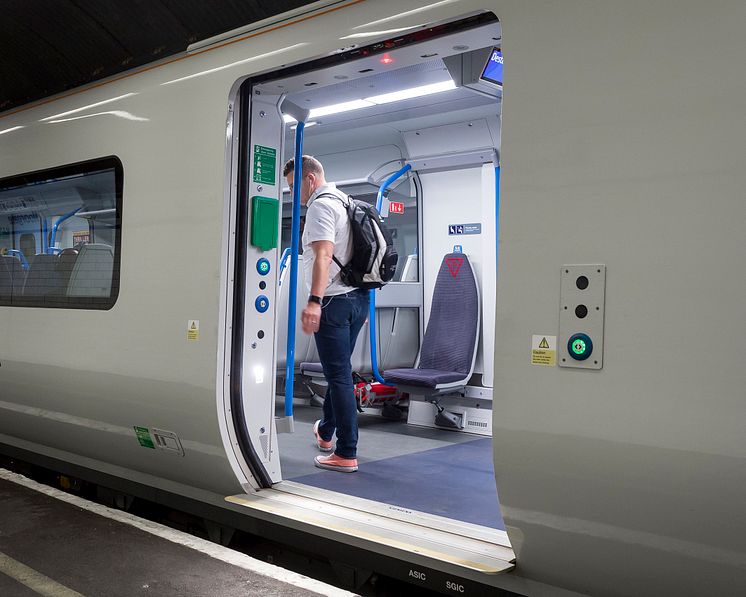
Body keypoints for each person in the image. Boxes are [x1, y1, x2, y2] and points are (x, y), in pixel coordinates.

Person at [283, 155, 369, 473]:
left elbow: (324, 255)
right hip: (359, 298)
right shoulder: (346, 201)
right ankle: (326, 430)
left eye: (294, 186)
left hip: (333, 302)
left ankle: (346, 452)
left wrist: (314, 301)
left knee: (338, 377)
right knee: (340, 372)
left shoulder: (320, 206)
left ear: (310, 179)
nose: (294, 194)